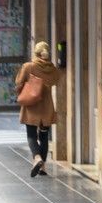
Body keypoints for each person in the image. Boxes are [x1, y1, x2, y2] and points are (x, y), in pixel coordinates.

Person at [15, 41, 61, 177]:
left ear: (36, 53)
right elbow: (56, 80)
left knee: (31, 135)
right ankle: (44, 168)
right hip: (46, 107)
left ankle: (37, 158)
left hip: (31, 106)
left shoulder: (28, 67)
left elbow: (18, 83)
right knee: (44, 136)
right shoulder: (52, 69)